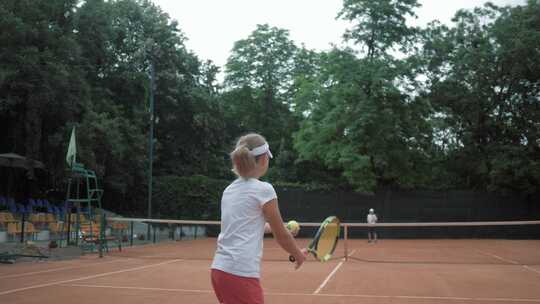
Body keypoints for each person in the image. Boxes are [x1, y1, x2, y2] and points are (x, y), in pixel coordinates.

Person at [211, 133, 306, 304]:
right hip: (241, 273)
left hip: (219, 270)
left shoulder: (228, 190)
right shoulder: (264, 190)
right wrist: (297, 254)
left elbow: (244, 225)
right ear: (263, 160)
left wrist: (282, 228)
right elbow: (281, 236)